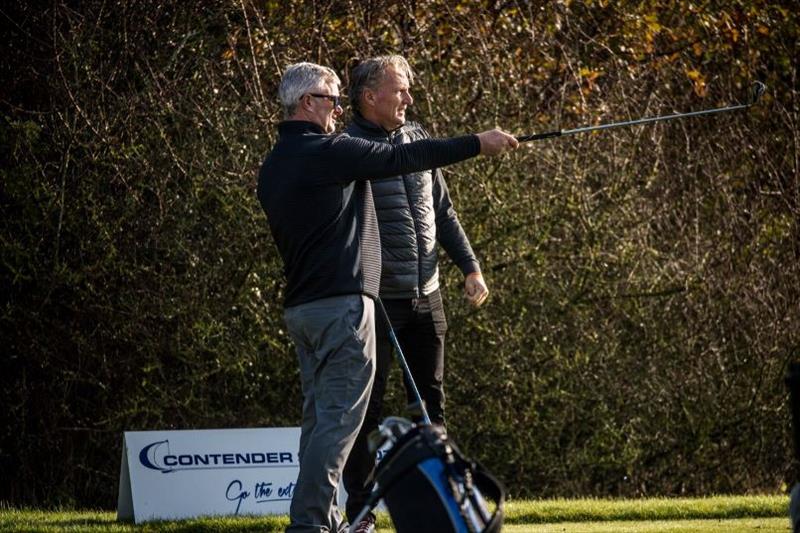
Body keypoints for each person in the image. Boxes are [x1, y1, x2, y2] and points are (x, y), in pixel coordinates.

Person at [256, 61, 518, 533]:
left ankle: (328, 519)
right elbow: (398, 159)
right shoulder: (327, 150)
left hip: (302, 307)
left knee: (319, 423)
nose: (337, 110)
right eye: (332, 101)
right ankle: (311, 525)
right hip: (341, 306)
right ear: (307, 103)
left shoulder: (275, 162)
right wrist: (478, 143)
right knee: (340, 424)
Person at [341, 55, 490, 533]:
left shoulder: (419, 139)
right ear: (369, 97)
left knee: (431, 405)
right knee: (367, 410)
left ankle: (441, 508)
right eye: (399, 89)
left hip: (429, 294)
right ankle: (360, 514)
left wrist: (469, 266)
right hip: (378, 302)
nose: (408, 98)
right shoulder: (347, 147)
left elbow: (443, 213)